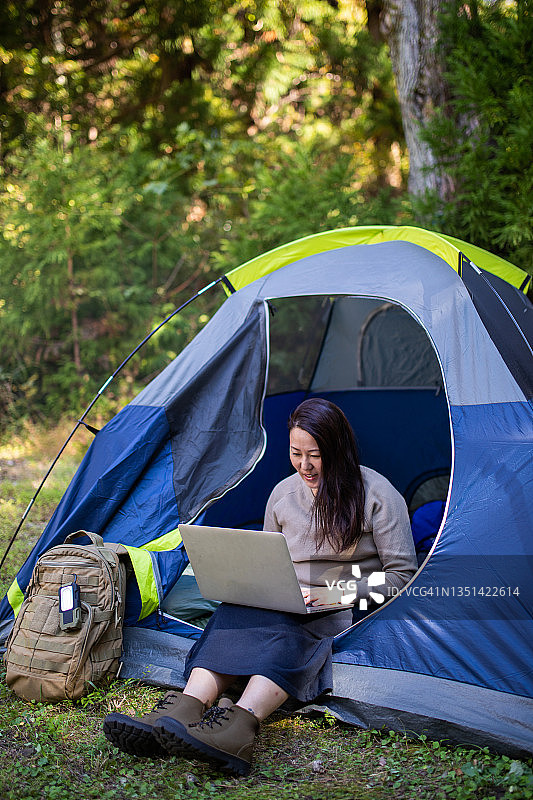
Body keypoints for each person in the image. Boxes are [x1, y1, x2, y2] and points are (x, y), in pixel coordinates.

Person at [103, 398, 417, 776]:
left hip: (342, 603)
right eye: (296, 453)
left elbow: (402, 576)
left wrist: (332, 593)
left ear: (339, 450)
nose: (304, 465)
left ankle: (239, 725)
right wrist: (259, 587)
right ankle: (185, 709)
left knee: (292, 625)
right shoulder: (283, 495)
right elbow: (267, 560)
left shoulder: (379, 494)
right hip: (287, 594)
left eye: (315, 455)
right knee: (234, 612)